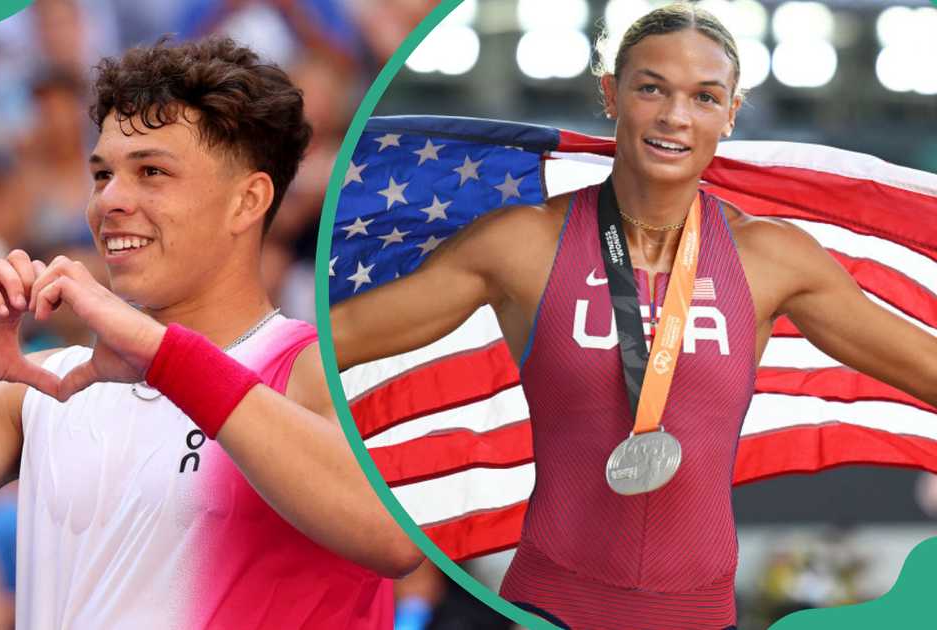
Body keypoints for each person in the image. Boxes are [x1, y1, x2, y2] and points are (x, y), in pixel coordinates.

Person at [330, 4, 937, 629]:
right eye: (652, 88)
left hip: (702, 616)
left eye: (705, 97)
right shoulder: (521, 244)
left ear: (730, 114)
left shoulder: (771, 258)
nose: (676, 116)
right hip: (552, 608)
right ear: (611, 93)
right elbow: (331, 346)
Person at [0, 37, 421, 628]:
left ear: (247, 201)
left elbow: (397, 537)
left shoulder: (326, 368)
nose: (110, 201)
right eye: (102, 174)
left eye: (152, 171)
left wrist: (163, 356)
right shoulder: (41, 386)